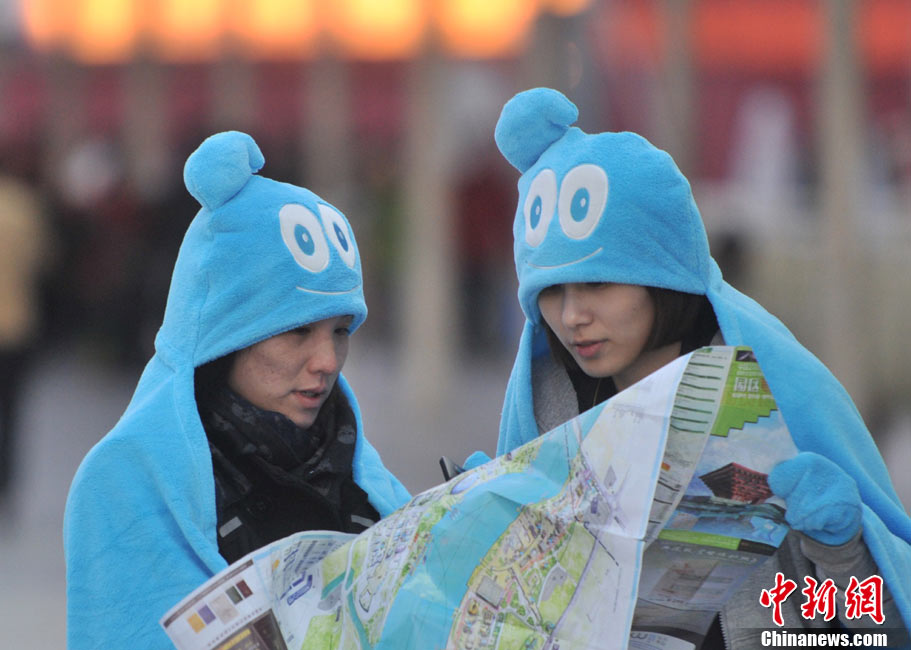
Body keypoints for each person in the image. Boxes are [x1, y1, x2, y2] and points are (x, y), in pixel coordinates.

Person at [484, 88, 911, 647]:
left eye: (598, 283)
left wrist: (842, 549)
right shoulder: (547, 412)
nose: (572, 316)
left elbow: (878, 634)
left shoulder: (782, 394)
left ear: (663, 275)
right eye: (550, 291)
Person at [63, 131, 411, 649]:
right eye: (298, 332)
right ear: (227, 337)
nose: (327, 361)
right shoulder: (125, 479)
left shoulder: (360, 469)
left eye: (340, 331)